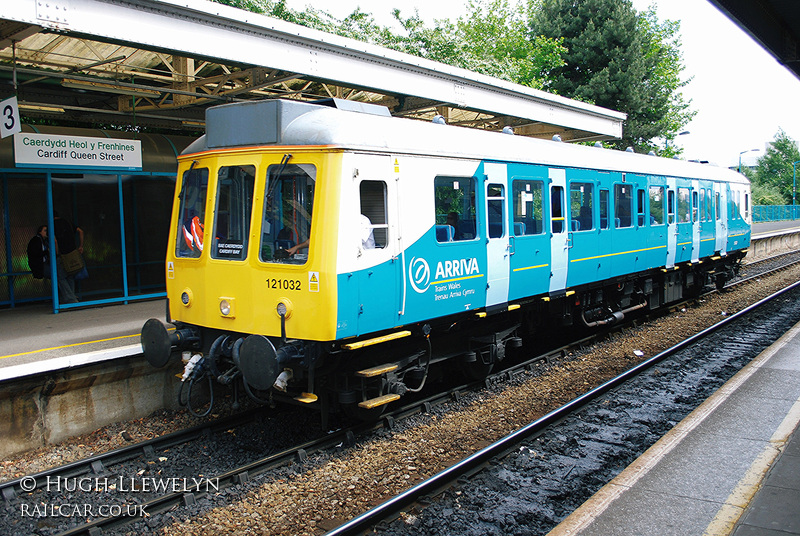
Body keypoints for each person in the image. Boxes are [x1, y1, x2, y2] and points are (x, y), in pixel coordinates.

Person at [53, 211, 84, 304]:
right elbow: (81, 231)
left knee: (61, 277)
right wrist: (81, 246)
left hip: (62, 254)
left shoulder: (52, 225)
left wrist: (57, 253)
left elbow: (55, 241)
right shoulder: (68, 222)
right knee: (70, 275)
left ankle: (70, 298)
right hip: (73, 252)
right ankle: (72, 296)